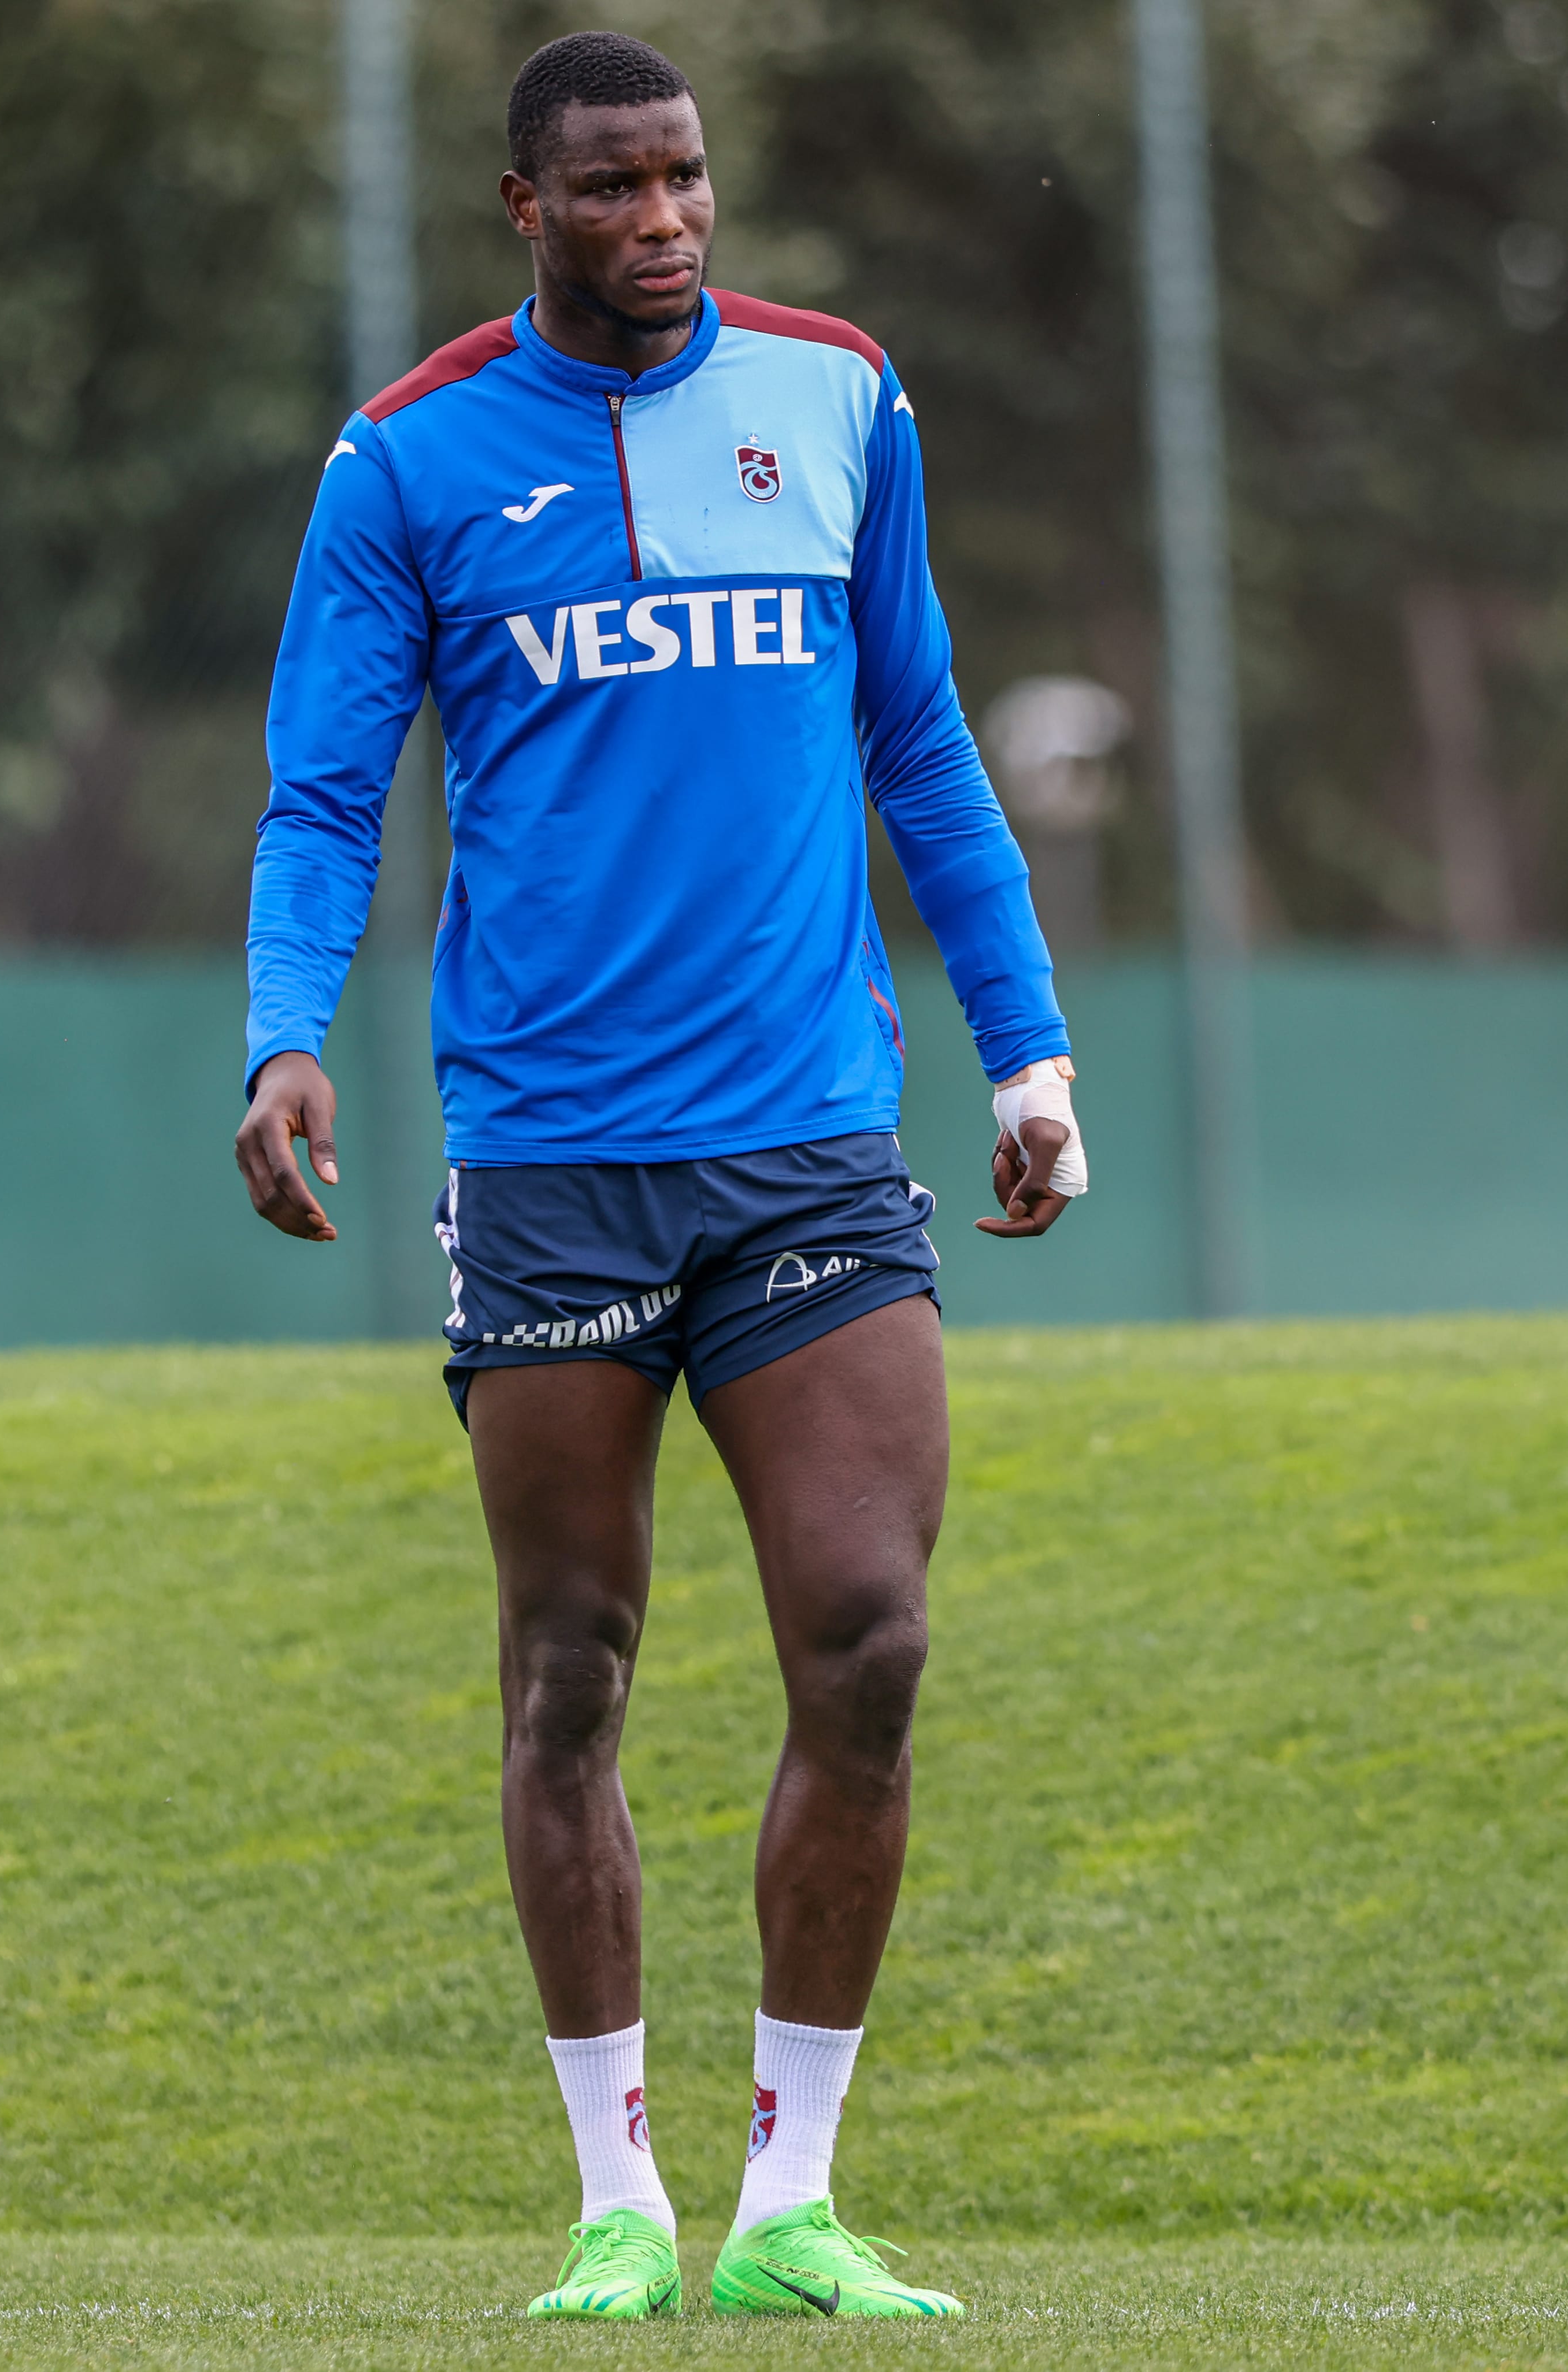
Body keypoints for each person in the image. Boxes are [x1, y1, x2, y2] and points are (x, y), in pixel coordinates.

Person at [235, 28, 1088, 2323]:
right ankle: (615, 2202)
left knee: (869, 1635)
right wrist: (282, 1040)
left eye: (687, 179)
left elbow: (915, 734)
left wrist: (1024, 1051)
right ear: (525, 207)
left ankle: (789, 2195)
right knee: (566, 1673)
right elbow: (326, 799)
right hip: (544, 1162)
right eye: (612, 189)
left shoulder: (836, 400)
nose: (667, 221)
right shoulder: (402, 461)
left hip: (808, 1135)